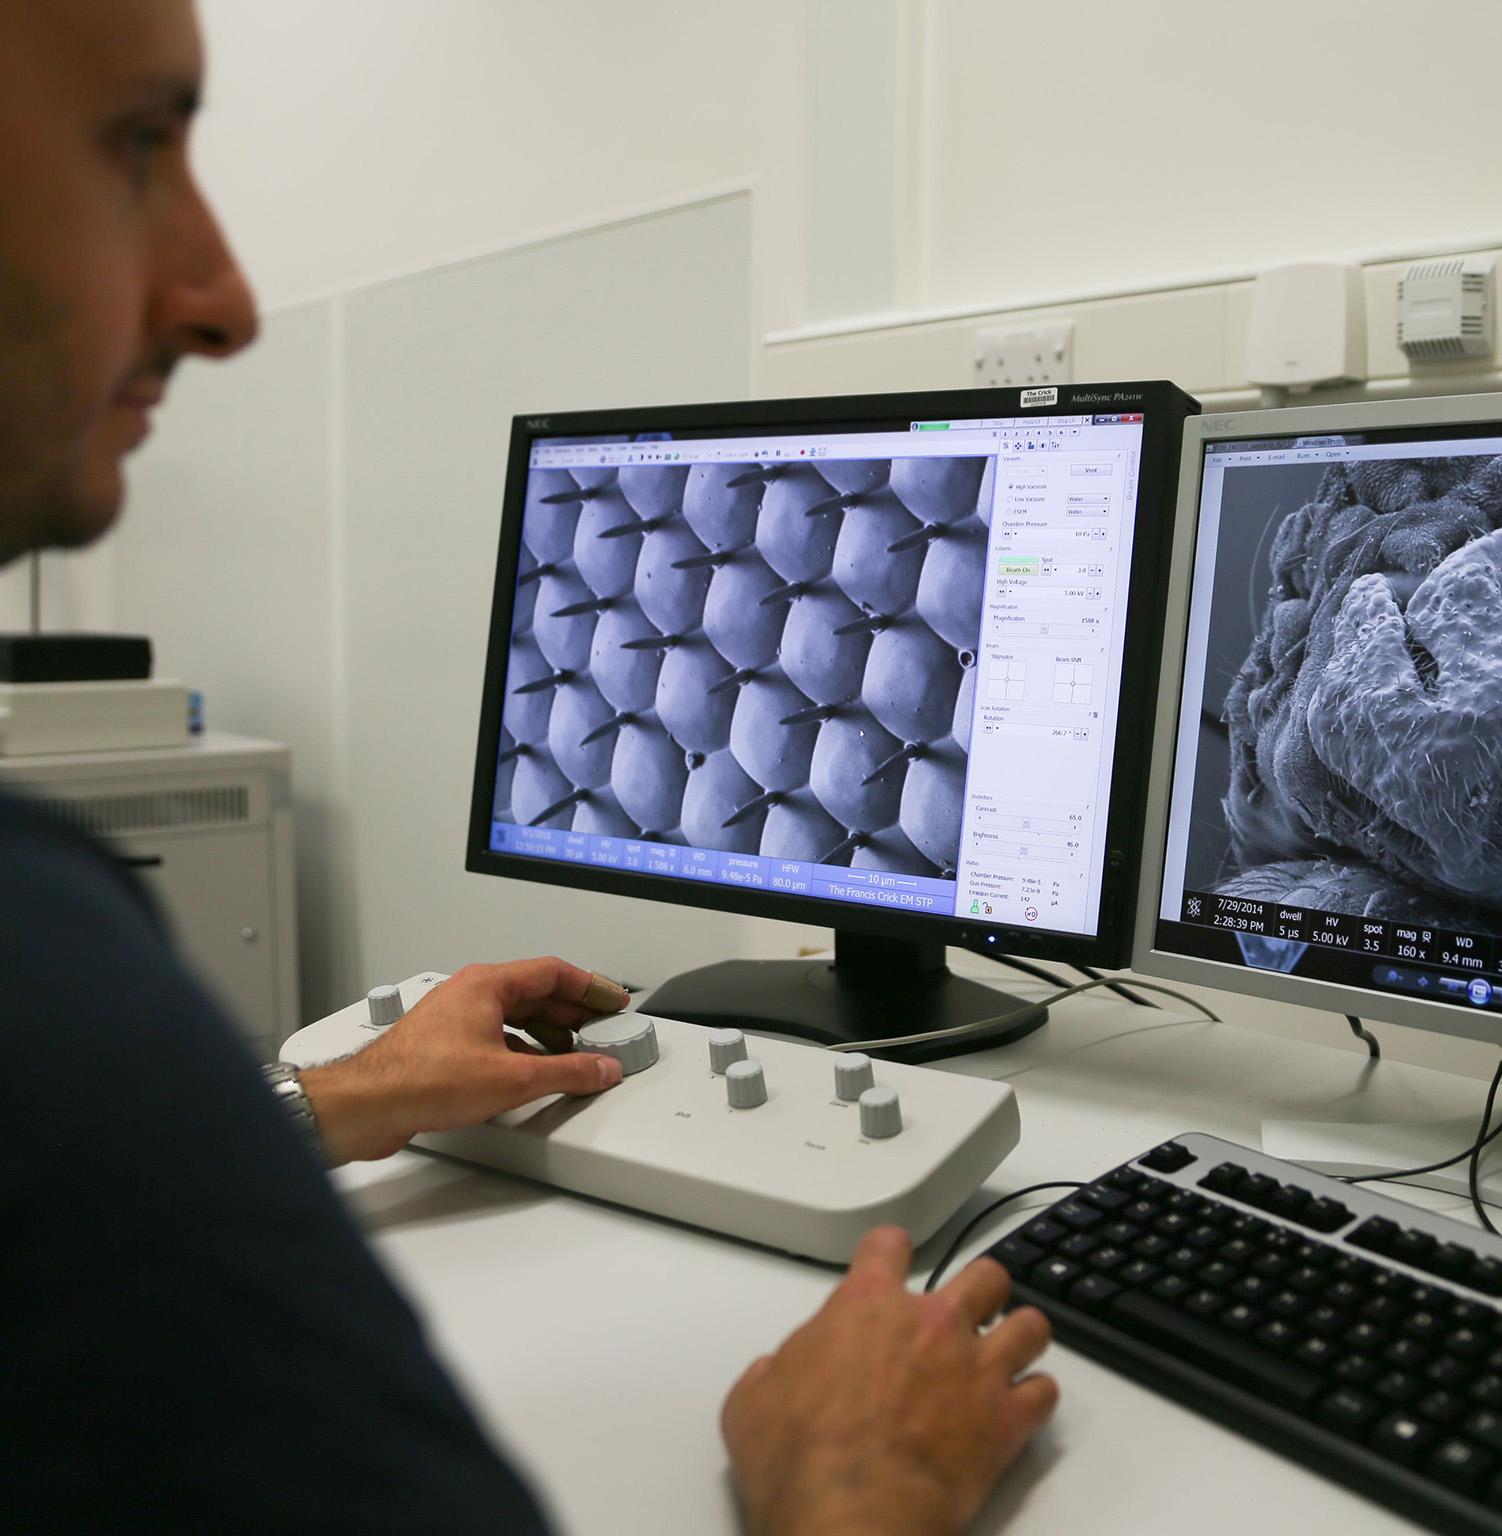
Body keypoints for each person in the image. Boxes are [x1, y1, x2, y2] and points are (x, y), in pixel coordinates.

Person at [0, 4, 1056, 1532]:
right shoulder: (37, 973)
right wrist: (858, 1487)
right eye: (138, 142)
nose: (227, 298)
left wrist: (321, 1101)